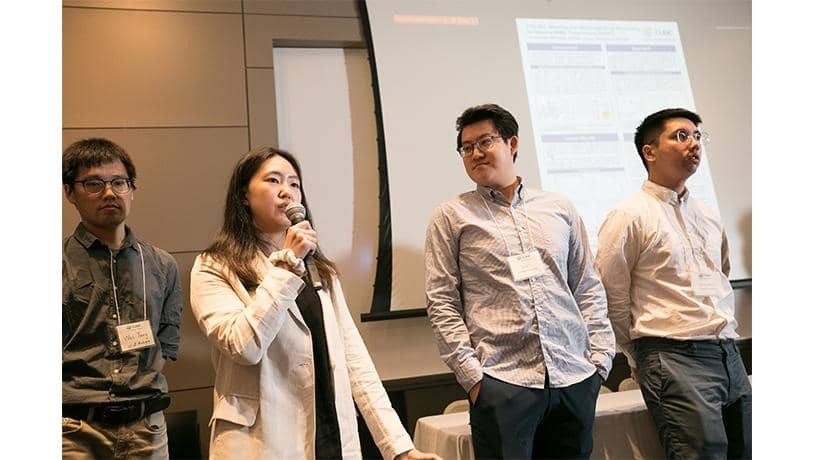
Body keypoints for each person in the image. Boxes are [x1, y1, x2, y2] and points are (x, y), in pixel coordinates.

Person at [189, 146, 439, 460]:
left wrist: (399, 448)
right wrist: (288, 264)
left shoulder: (319, 268)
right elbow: (243, 346)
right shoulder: (215, 265)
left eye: (294, 184)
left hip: (329, 434)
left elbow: (354, 360)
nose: (287, 192)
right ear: (243, 195)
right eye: (273, 181)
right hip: (262, 443)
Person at [424, 103, 616, 459]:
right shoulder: (451, 216)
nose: (476, 153)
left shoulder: (558, 207)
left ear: (512, 144)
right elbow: (441, 301)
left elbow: (586, 285)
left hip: (573, 377)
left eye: (485, 141)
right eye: (467, 147)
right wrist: (474, 378)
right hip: (503, 383)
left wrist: (600, 360)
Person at [595, 108, 751, 459]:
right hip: (673, 356)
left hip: (727, 350)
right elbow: (611, 294)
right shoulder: (629, 215)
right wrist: (636, 354)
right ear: (649, 152)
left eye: (697, 135)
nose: (693, 143)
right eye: (681, 136)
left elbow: (721, 276)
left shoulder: (708, 214)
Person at [62, 138, 182, 459]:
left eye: (119, 182)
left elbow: (166, 342)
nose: (110, 192)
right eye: (93, 184)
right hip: (73, 431)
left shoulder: (162, 264)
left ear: (132, 189)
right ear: (69, 193)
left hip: (147, 429)